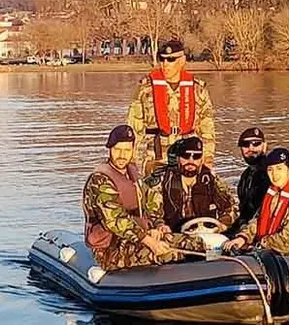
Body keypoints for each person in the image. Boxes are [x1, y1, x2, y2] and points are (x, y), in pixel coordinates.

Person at [82, 125, 205, 271]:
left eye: (127, 150)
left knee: (196, 243)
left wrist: (157, 225)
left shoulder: (134, 174)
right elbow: (114, 220)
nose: (122, 155)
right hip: (111, 250)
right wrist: (149, 241)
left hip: (139, 238)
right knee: (171, 253)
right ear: (109, 149)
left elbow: (149, 203)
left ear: (133, 150)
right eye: (117, 150)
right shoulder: (100, 180)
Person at [127, 39, 216, 176]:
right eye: (162, 60)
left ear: (182, 61)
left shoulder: (198, 89)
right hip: (155, 157)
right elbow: (134, 128)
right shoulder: (145, 89)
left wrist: (207, 161)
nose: (165, 64)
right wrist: (133, 165)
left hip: (189, 157)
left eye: (171, 60)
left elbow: (207, 129)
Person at [222, 147, 289, 259]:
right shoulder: (272, 193)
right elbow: (258, 220)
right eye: (270, 170)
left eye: (279, 169)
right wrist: (244, 237)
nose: (275, 175)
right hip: (270, 253)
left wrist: (259, 245)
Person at [159, 137, 237, 233]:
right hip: (174, 234)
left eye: (196, 156)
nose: (191, 161)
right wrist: (161, 225)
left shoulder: (211, 179)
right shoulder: (165, 179)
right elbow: (152, 212)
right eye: (186, 156)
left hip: (207, 233)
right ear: (178, 158)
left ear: (201, 159)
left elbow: (230, 207)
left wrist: (222, 224)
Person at [226, 127, 270, 238]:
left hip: (264, 234)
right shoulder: (246, 176)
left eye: (256, 144)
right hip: (247, 231)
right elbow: (245, 214)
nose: (251, 148)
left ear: (264, 146)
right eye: (245, 145)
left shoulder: (271, 174)